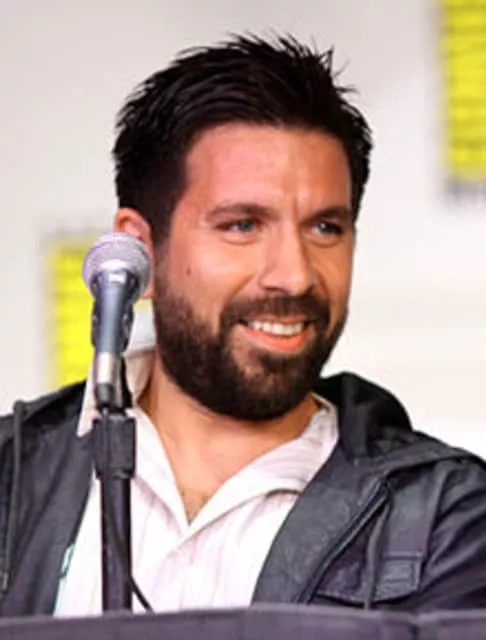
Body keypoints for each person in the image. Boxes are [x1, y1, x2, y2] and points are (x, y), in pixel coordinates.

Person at [1, 34, 486, 619]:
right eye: (242, 226)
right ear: (140, 253)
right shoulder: (12, 477)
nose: (294, 275)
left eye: (325, 228)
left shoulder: (443, 517)